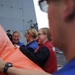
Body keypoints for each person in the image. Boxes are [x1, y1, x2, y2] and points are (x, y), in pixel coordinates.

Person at [0, 0, 75, 75]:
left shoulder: (46, 48)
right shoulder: (46, 46)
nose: (37, 37)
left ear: (67, 5)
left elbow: (36, 58)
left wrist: (6, 67)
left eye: (47, 4)